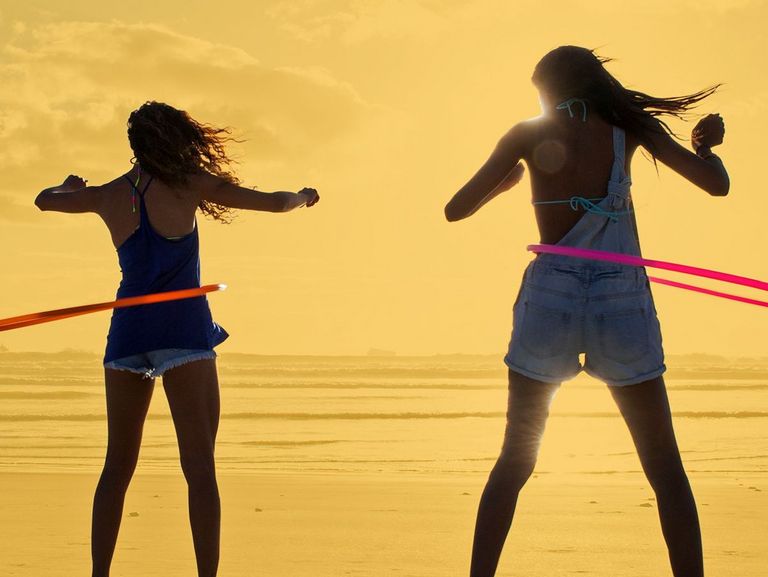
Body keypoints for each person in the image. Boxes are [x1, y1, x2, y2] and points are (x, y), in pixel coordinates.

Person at [444, 46, 728, 577]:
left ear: (549, 90)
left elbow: (455, 209)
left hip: (550, 295)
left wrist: (510, 180)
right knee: (664, 466)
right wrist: (705, 149)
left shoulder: (525, 134)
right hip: (620, 298)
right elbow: (716, 185)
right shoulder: (629, 127)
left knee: (515, 459)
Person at [35, 101, 319, 577]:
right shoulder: (188, 183)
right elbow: (274, 202)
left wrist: (68, 185)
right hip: (183, 332)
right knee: (199, 468)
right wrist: (306, 195)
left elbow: (45, 200)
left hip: (127, 334)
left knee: (116, 468)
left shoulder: (108, 195)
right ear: (175, 139)